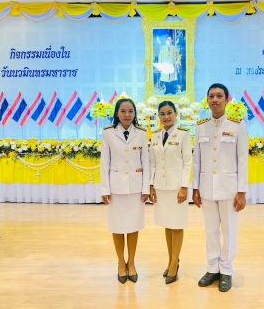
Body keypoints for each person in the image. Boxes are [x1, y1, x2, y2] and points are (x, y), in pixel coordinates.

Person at [192, 83, 248, 292]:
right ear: (207, 100)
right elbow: (196, 160)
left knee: (229, 231)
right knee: (210, 231)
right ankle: (212, 268)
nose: (214, 100)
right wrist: (195, 189)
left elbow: (242, 160)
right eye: (211, 96)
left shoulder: (237, 125)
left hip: (229, 188)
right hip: (207, 188)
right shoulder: (201, 126)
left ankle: (226, 271)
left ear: (226, 99)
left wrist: (241, 191)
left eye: (219, 96)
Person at [100, 98, 150, 284]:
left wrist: (146, 187)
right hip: (116, 188)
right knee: (117, 226)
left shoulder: (142, 133)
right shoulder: (108, 133)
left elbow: (145, 161)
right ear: (117, 113)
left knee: (134, 226)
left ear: (135, 113)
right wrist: (105, 188)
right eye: (123, 111)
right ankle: (121, 262)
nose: (127, 114)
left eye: (130, 111)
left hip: (136, 188)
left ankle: (132, 263)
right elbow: (105, 162)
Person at [149, 101, 192, 284]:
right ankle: (171, 260)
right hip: (160, 186)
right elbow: (152, 163)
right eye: (162, 113)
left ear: (176, 114)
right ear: (158, 116)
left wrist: (184, 186)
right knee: (167, 224)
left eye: (169, 113)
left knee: (177, 225)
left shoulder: (183, 134)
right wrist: (151, 186)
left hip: (176, 188)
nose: (166, 117)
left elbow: (187, 161)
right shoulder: (156, 136)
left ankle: (174, 264)